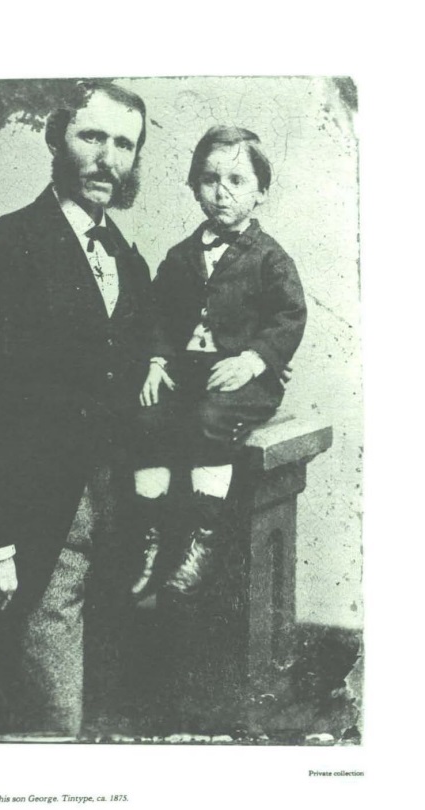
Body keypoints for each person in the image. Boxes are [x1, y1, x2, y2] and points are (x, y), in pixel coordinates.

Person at [0, 81, 151, 738]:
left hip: (104, 532)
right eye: (92, 137)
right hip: (29, 533)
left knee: (88, 719)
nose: (107, 158)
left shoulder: (126, 262)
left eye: (123, 144)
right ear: (57, 140)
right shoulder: (5, 248)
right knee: (46, 724)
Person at [130, 126, 307, 599]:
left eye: (236, 179)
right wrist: (156, 361)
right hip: (185, 372)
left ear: (261, 192)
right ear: (194, 187)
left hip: (244, 379)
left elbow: (289, 316)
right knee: (148, 416)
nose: (221, 191)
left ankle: (203, 540)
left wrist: (254, 359)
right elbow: (158, 316)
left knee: (211, 417)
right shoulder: (181, 255)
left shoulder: (271, 258)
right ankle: (150, 540)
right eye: (209, 179)